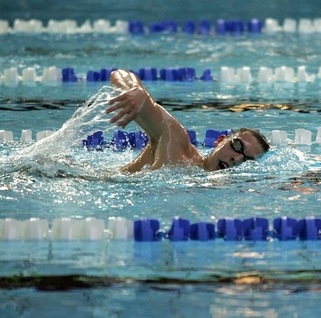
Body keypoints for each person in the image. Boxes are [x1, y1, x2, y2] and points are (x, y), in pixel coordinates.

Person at [106, 69, 270, 173]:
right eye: (237, 146)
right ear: (219, 140)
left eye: (247, 160)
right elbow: (119, 74)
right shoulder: (176, 144)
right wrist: (136, 89)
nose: (237, 159)